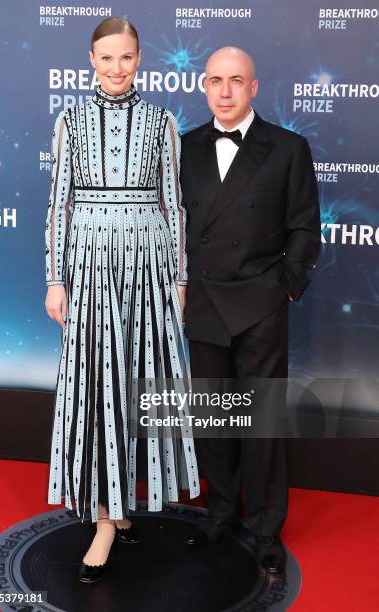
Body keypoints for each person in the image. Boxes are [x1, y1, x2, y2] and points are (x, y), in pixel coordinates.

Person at [44, 17, 199, 583]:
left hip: (150, 267)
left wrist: (179, 280)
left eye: (126, 58)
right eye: (106, 58)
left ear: (140, 60)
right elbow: (58, 203)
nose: (117, 69)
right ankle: (106, 517)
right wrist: (55, 278)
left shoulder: (162, 121)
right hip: (89, 266)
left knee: (141, 381)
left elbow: (174, 206)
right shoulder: (73, 119)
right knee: (98, 382)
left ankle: (124, 504)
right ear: (90, 59)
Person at [180, 47, 321, 574]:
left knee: (261, 420)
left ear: (254, 88)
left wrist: (285, 286)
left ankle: (265, 528)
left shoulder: (288, 147)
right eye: (215, 80)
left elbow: (305, 224)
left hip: (261, 302)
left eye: (236, 80)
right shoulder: (186, 147)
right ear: (204, 86)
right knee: (214, 417)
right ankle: (220, 512)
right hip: (205, 300)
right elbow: (174, 224)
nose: (224, 91)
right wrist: (179, 282)